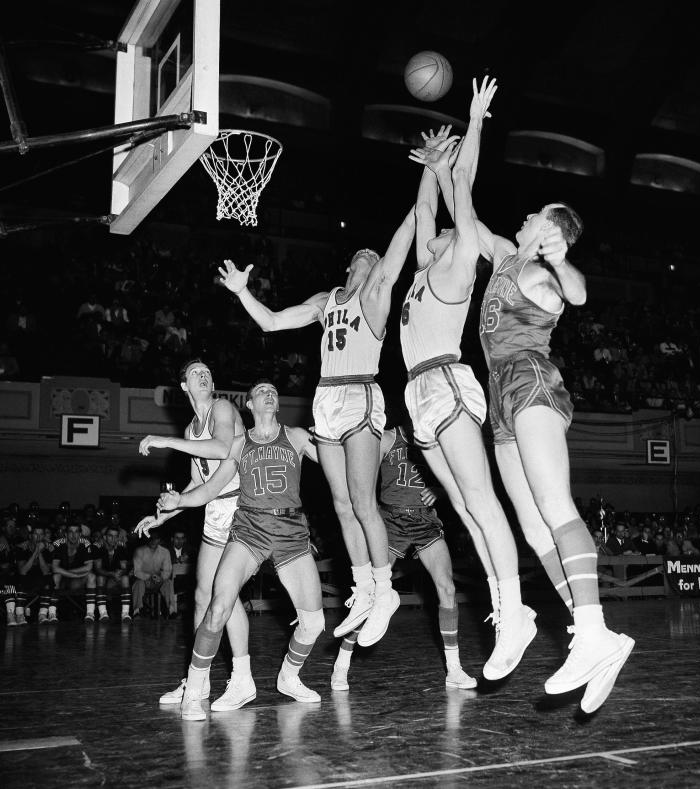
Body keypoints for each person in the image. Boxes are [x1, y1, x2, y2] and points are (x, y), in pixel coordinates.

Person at [466, 130, 634, 712]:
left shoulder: (543, 274)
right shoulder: (504, 258)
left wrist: (562, 259)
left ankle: (592, 632)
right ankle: (598, 637)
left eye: (537, 215)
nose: (526, 214)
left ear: (551, 233)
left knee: (556, 506)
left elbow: (581, 297)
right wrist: (453, 154)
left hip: (531, 381)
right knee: (532, 529)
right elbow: (465, 212)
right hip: (500, 398)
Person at [217, 188, 419, 648]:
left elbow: (400, 246)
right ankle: (364, 588)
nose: (373, 260)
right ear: (351, 266)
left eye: (376, 258)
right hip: (325, 399)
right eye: (364, 257)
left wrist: (420, 195)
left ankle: (385, 589)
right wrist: (243, 292)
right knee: (341, 503)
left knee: (364, 501)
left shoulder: (376, 297)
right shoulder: (326, 301)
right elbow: (269, 322)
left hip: (360, 391)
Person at [403, 77, 535, 679]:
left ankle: (514, 610)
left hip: (447, 383)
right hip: (418, 392)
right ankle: (502, 599)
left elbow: (461, 189)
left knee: (482, 499)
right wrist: (430, 164)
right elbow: (428, 205)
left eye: (455, 224)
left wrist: (474, 122)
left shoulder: (459, 260)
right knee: (461, 506)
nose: (435, 230)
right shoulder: (430, 254)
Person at [157, 380, 326, 721]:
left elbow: (338, 466)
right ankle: (196, 690)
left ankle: (289, 676)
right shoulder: (239, 443)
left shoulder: (295, 437)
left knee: (314, 623)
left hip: (291, 531)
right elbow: (209, 489)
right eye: (261, 390)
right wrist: (181, 500)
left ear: (277, 404)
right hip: (249, 529)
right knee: (218, 606)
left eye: (273, 392)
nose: (269, 394)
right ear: (249, 404)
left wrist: (331, 436)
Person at [136, 360, 254, 711]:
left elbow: (220, 449)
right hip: (214, 509)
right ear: (184, 387)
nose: (204, 374)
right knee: (202, 597)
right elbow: (197, 484)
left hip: (240, 507)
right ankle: (197, 682)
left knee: (224, 594)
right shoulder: (190, 430)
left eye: (207, 371)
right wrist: (162, 517)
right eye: (195, 372)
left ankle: (242, 678)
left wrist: (161, 440)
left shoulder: (222, 408)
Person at [331, 420, 477, 692]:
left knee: (447, 587)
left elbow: (462, 482)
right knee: (372, 594)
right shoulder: (388, 438)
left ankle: (454, 669)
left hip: (425, 521)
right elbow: (360, 474)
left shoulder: (436, 442)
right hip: (391, 521)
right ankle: (342, 664)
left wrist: (440, 489)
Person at [50, 523, 96, 622]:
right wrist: (74, 574)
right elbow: (55, 568)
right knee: (56, 576)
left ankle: (90, 613)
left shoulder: (86, 543)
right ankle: (52, 613)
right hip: (61, 581)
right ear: (66, 534)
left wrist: (69, 573)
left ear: (80, 534)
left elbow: (89, 567)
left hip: (76, 581)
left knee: (91, 576)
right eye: (70, 532)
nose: (74, 535)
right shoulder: (58, 544)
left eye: (76, 532)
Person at [131, 533, 175, 617]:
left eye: (156, 538)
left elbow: (167, 570)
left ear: (159, 540)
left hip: (158, 581)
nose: (153, 541)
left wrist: (161, 577)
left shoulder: (165, 552)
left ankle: (171, 610)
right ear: (147, 539)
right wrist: (148, 577)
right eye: (151, 538)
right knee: (138, 583)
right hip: (144, 580)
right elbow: (137, 571)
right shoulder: (139, 551)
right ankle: (136, 611)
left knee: (168, 583)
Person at [94, 525, 131, 621]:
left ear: (118, 537)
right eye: (110, 536)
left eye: (116, 536)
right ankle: (103, 613)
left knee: (125, 578)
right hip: (103, 577)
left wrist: (120, 572)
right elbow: (98, 569)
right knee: (100, 578)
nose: (113, 539)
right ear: (105, 537)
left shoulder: (121, 548)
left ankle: (125, 613)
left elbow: (124, 567)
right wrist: (111, 574)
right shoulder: (98, 547)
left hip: (115, 578)